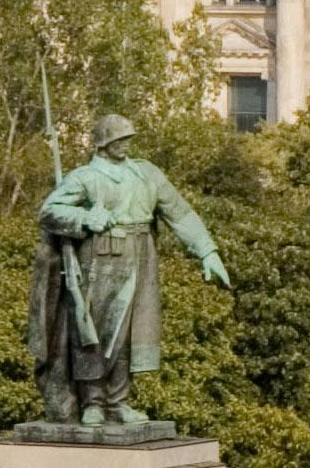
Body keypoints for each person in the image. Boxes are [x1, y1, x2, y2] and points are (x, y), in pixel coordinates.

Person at [27, 114, 230, 426]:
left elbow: (179, 212)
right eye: (118, 140)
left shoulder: (146, 173)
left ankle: (118, 402)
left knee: (128, 332)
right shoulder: (85, 177)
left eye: (127, 139)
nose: (125, 145)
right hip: (103, 255)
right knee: (94, 331)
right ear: (103, 144)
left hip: (141, 254)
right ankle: (93, 402)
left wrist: (207, 250)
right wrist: (85, 218)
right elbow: (50, 210)